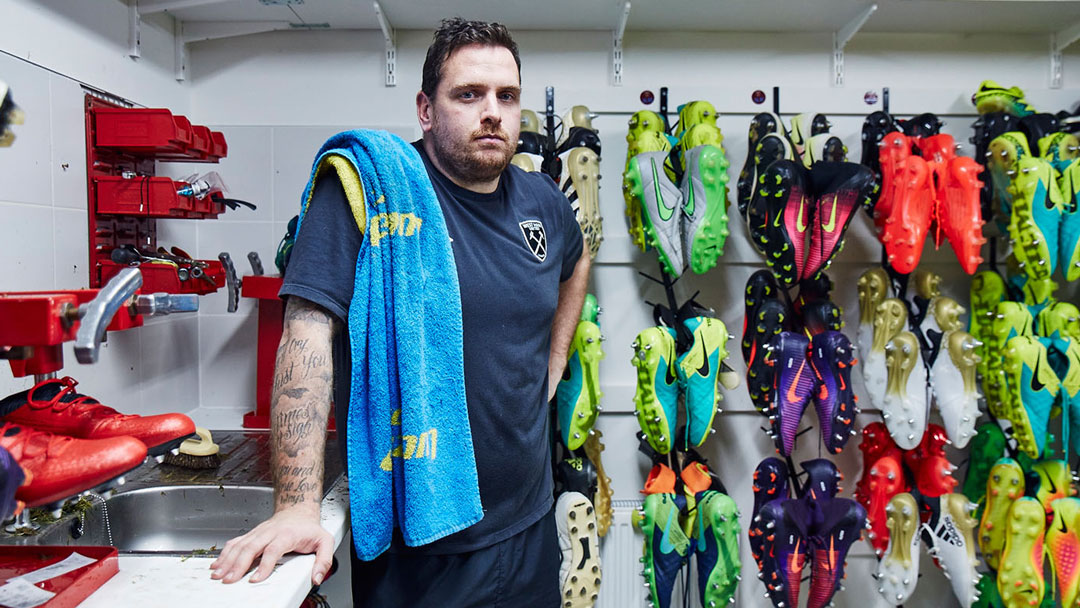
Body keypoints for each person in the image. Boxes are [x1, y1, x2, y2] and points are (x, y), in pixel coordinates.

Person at [210, 17, 590, 607]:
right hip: (422, 552)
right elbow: (306, 336)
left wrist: (558, 356)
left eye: (506, 96)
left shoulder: (541, 198)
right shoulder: (372, 192)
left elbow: (578, 256)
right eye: (468, 95)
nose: (492, 111)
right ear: (425, 109)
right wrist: (294, 507)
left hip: (530, 527)